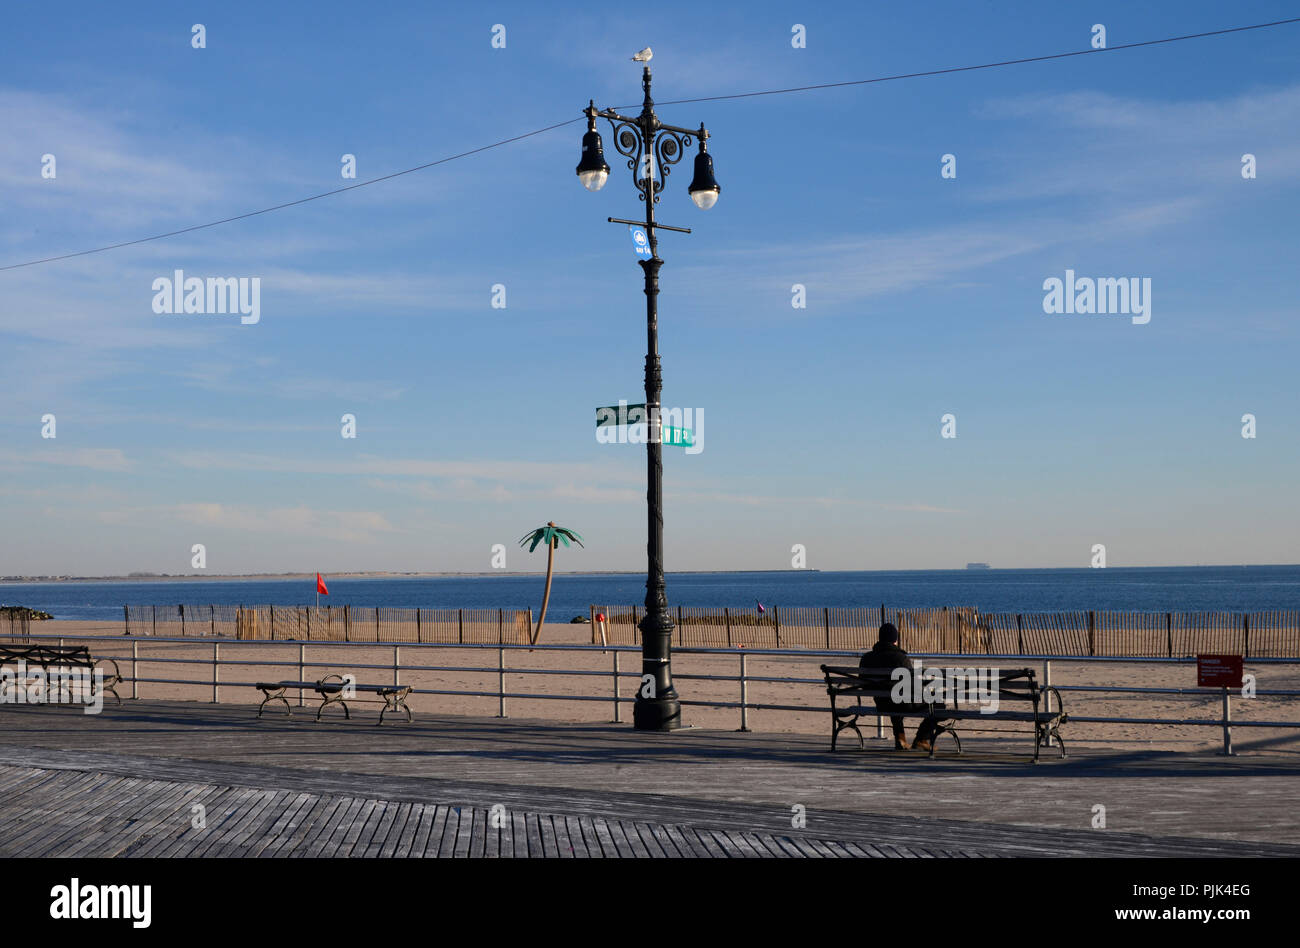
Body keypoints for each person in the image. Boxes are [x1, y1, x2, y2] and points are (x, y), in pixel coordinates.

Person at [859, 623, 945, 752]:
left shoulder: (867, 658)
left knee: (894, 697)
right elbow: (913, 685)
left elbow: (863, 684)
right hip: (901, 704)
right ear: (895, 640)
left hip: (881, 703)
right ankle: (922, 739)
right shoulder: (900, 658)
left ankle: (901, 738)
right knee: (939, 705)